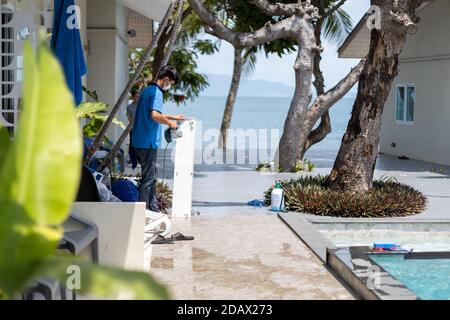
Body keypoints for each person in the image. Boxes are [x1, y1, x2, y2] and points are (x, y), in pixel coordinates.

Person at [131, 66, 184, 212]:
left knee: (151, 176)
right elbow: (154, 115)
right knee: (149, 178)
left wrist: (173, 117)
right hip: (147, 142)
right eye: (171, 83)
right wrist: (170, 123)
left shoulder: (147, 90)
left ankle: (153, 209)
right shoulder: (157, 93)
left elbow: (152, 113)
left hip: (139, 140)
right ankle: (143, 213)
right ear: (166, 79)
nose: (170, 86)